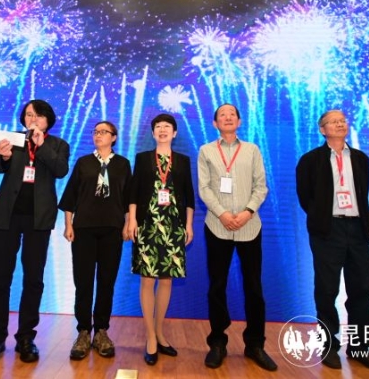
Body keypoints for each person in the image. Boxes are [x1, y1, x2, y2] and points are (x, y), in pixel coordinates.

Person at [0, 99, 69, 366]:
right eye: (28, 115)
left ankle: (26, 338)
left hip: (38, 220)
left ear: (48, 120)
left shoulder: (57, 144)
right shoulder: (14, 140)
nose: (33, 119)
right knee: (0, 279)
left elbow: (60, 170)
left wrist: (40, 146)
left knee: (33, 279)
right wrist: (3, 157)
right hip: (7, 217)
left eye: (38, 115)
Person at [295, 109, 369, 372]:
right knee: (327, 290)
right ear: (322, 129)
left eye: (342, 121)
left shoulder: (360, 158)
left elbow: (362, 192)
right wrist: (321, 218)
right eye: (333, 121)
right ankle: (328, 346)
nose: (340, 124)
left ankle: (359, 347)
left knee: (362, 289)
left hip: (357, 229)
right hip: (328, 230)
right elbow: (305, 196)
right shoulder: (310, 160)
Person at [197, 103, 277, 371]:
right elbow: (204, 188)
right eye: (222, 115)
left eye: (232, 114)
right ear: (215, 123)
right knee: (217, 286)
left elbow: (261, 186)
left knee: (254, 286)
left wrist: (247, 212)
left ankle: (255, 344)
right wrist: (222, 214)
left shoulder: (252, 149)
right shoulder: (206, 150)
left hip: (249, 225)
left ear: (239, 121)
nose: (228, 117)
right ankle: (217, 343)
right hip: (217, 225)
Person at [58, 121, 132, 360]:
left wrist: (128, 223)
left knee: (106, 282)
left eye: (103, 132)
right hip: (84, 229)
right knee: (83, 282)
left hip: (112, 229)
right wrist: (68, 224)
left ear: (114, 137)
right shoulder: (83, 162)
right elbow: (70, 196)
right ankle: (83, 331)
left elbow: (129, 198)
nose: (98, 135)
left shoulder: (123, 164)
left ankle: (101, 331)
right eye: (96, 132)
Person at [126, 113, 195, 366]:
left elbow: (188, 195)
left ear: (174, 133)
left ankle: (160, 332)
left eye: (167, 126)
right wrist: (132, 220)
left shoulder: (183, 160)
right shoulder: (143, 158)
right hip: (147, 224)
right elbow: (133, 192)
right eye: (158, 126)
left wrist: (188, 225)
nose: (162, 130)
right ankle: (150, 338)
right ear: (153, 133)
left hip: (173, 225)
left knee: (166, 280)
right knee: (147, 279)